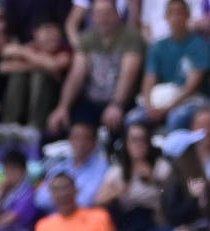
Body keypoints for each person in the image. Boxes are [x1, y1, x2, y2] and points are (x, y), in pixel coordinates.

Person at [48, 0, 144, 136]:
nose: (103, 18)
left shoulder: (131, 37)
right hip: (92, 100)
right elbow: (76, 75)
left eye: (107, 13)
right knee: (71, 127)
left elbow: (128, 75)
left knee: (116, 123)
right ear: (92, 17)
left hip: (123, 101)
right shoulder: (87, 39)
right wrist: (63, 106)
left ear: (117, 14)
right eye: (98, 13)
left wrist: (117, 104)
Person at [133, 0, 209, 131]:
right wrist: (149, 106)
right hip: (160, 101)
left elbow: (191, 87)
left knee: (176, 119)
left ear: (188, 15)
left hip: (190, 100)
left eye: (179, 13)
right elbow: (149, 80)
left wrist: (167, 109)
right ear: (166, 17)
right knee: (133, 119)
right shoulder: (158, 47)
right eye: (172, 13)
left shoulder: (200, 45)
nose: (176, 17)